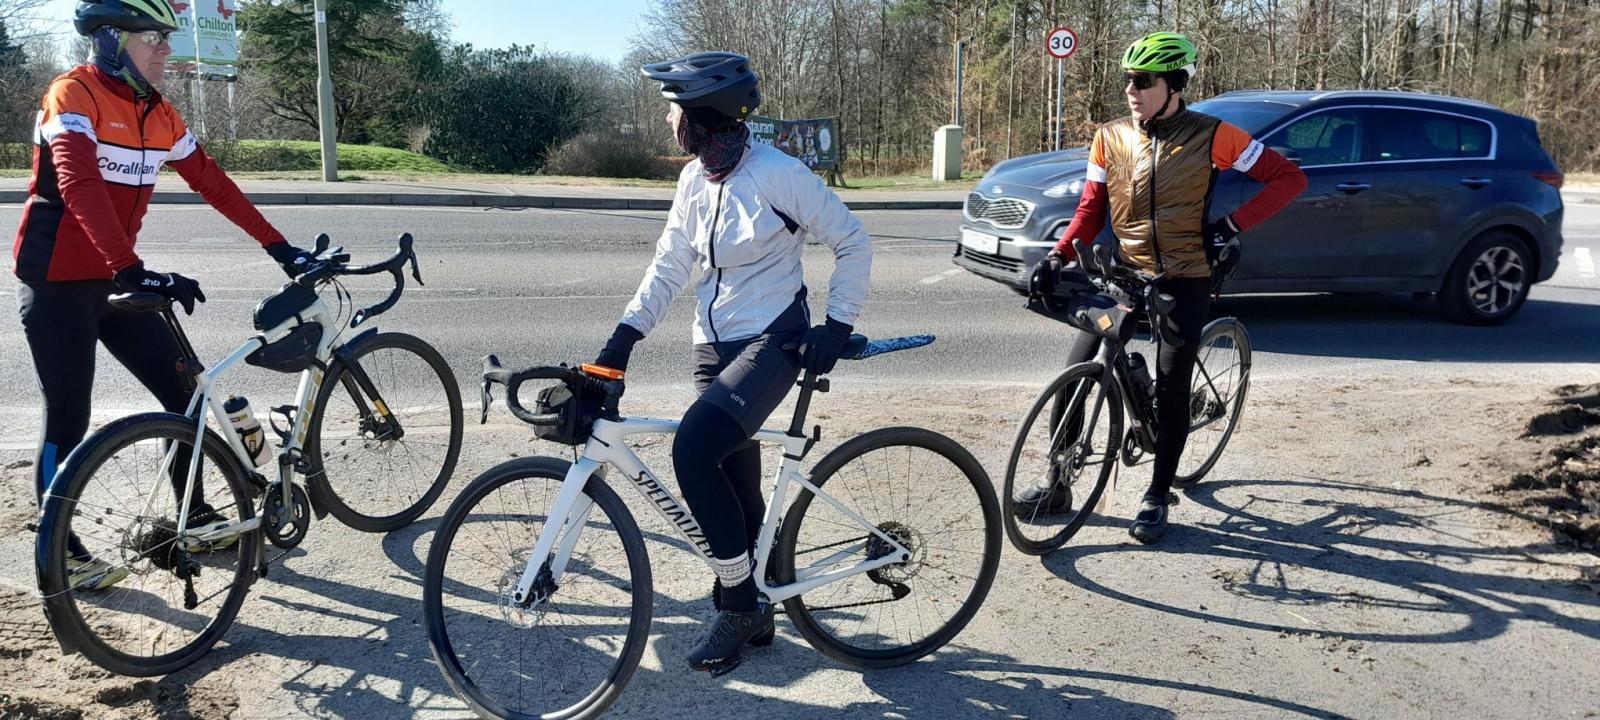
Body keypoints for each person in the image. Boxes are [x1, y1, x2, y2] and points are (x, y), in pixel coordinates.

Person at [13, 0, 313, 590]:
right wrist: (130, 268)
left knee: (187, 395)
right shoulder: (74, 94)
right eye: (153, 37)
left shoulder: (157, 112)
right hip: (57, 281)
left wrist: (279, 246)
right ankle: (58, 550)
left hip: (116, 279)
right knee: (67, 416)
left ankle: (192, 517)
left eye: (167, 38)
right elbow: (77, 182)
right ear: (110, 40)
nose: (166, 49)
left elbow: (213, 182)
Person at [592, 51, 872, 673]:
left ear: (704, 116)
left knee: (693, 450)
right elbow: (670, 265)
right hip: (711, 344)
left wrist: (837, 324)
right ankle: (758, 608)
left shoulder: (778, 174)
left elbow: (852, 240)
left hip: (772, 339)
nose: (670, 123)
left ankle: (740, 603)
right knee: (734, 483)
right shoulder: (695, 180)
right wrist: (623, 339)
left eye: (676, 112)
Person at [1018, 32, 1307, 543]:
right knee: (1078, 374)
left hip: (1185, 275)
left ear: (1174, 85)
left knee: (1173, 388)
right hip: (1125, 274)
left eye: (1143, 80)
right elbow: (1090, 210)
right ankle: (1057, 482)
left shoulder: (1214, 136)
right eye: (1128, 80)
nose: (1131, 89)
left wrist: (1230, 226)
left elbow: (1288, 179)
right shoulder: (1110, 137)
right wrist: (1058, 255)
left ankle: (1156, 495)